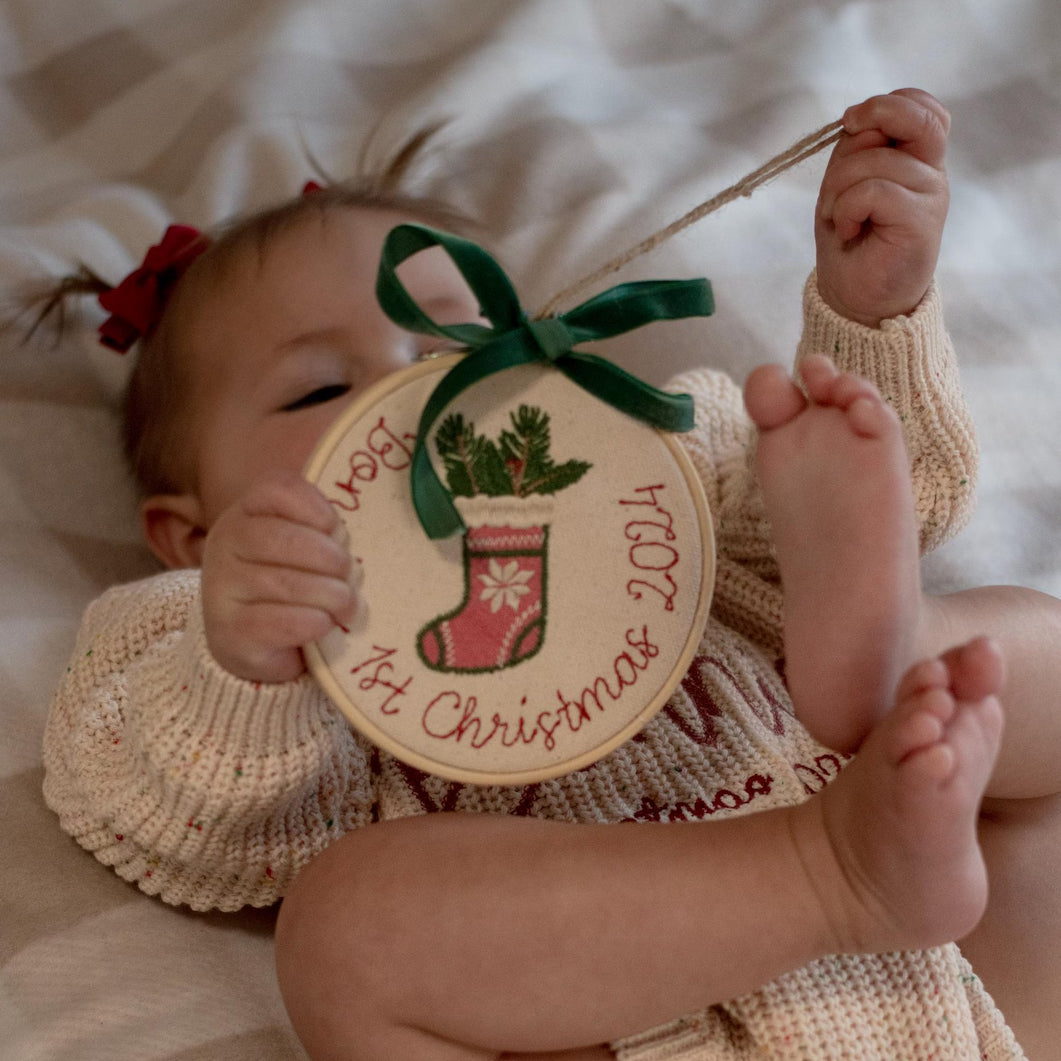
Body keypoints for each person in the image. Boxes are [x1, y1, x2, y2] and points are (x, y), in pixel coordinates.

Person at [37, 88, 1061, 1060]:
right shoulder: (201, 622)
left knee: (1021, 655)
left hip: (965, 958)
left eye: (465, 339)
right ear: (188, 533)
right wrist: (247, 664)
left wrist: (864, 326)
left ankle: (885, 658)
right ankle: (823, 867)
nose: (420, 391)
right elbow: (183, 829)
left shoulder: (640, 456)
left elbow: (908, 494)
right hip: (635, 1014)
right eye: (324, 387)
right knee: (352, 922)